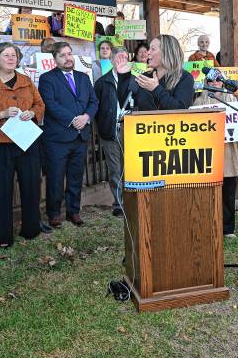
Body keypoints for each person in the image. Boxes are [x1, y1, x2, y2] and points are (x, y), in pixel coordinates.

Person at [0, 42, 47, 246]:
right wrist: (1, 114)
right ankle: (2, 235)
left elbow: (39, 104)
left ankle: (32, 229)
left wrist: (33, 113)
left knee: (31, 186)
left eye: (14, 55)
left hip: (26, 142)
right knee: (0, 189)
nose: (11, 58)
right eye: (6, 55)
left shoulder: (26, 81)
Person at [38, 42, 99, 227]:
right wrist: (74, 119)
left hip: (80, 137)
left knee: (75, 176)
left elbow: (93, 100)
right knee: (56, 177)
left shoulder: (83, 77)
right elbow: (51, 105)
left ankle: (73, 211)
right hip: (58, 138)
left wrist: (87, 116)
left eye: (70, 54)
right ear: (55, 59)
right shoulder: (47, 79)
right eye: (63, 55)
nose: (68, 58)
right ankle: (54, 213)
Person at [192, 75, 238, 237]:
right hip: (207, 154)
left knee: (228, 192)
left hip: (228, 153)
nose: (214, 83)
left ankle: (228, 228)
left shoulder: (234, 102)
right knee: (207, 193)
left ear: (223, 82)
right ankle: (207, 225)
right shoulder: (198, 103)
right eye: (210, 81)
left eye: (217, 80)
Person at [114, 34, 194, 111]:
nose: (148, 52)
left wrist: (156, 89)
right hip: (144, 124)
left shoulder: (184, 77)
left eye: (153, 49)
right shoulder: (145, 76)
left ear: (166, 52)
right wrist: (123, 76)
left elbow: (180, 109)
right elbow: (126, 104)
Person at [94, 46, 126, 217]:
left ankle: (132, 200)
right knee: (115, 169)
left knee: (130, 168)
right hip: (110, 131)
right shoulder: (102, 83)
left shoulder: (135, 80)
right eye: (119, 57)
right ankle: (119, 203)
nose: (122, 60)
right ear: (112, 60)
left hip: (131, 132)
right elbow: (96, 108)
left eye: (125, 57)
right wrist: (104, 125)